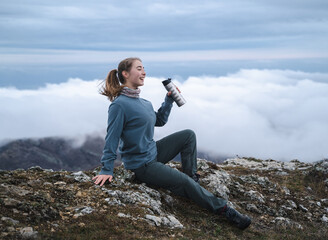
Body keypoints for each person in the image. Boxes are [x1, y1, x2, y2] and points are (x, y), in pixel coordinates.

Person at [92, 57, 251, 230]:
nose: (144, 72)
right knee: (182, 182)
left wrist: (168, 100)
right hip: (141, 165)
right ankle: (226, 211)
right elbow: (112, 138)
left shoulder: (143, 103)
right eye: (139, 68)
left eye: (143, 68)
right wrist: (106, 169)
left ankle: (192, 182)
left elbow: (159, 120)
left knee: (188, 136)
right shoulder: (119, 105)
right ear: (125, 73)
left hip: (153, 152)